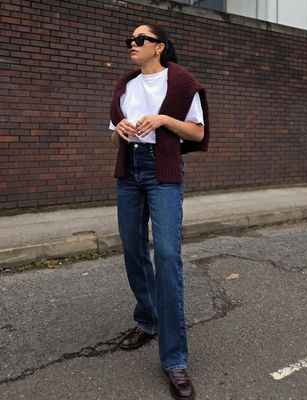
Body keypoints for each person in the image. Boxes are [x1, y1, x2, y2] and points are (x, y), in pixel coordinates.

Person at [109, 23, 209, 400]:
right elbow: (112, 134)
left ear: (159, 46)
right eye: (130, 41)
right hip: (129, 170)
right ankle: (147, 319)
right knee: (133, 249)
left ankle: (175, 359)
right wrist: (119, 129)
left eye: (140, 40)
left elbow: (197, 133)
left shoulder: (181, 82)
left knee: (166, 256)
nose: (132, 45)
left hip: (162, 170)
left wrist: (163, 120)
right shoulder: (126, 86)